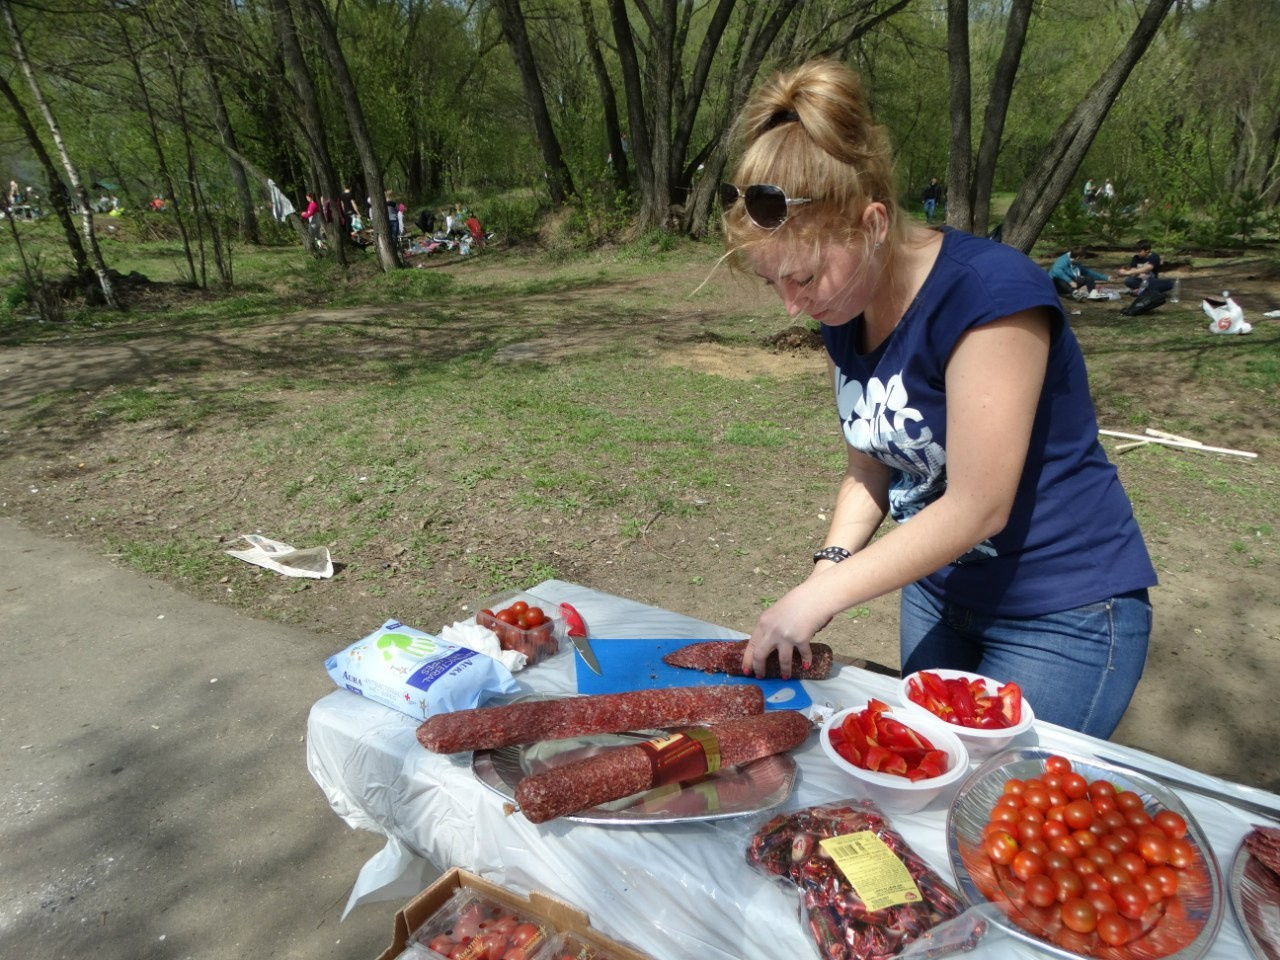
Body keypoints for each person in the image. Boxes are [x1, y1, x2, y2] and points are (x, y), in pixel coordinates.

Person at [720, 60, 1155, 738]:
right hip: (939, 595)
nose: (792, 303)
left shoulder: (988, 297)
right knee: (920, 786)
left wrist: (823, 596)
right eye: (773, 281)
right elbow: (870, 465)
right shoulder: (845, 308)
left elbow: (980, 504)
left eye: (802, 276)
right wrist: (823, 573)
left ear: (871, 224)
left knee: (1000, 818)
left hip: (1062, 609)